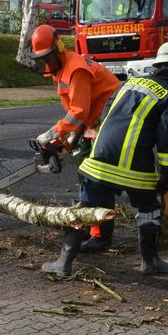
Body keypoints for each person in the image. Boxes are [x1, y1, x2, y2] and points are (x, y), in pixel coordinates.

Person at [42, 41, 168, 277]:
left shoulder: (131, 83)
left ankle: (63, 263)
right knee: (149, 209)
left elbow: (105, 112)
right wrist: (166, 176)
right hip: (136, 167)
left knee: (84, 208)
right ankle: (151, 261)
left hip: (99, 159)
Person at [27, 24, 122, 253]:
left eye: (49, 56)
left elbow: (79, 111)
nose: (47, 62)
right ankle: (92, 226)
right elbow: (78, 113)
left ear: (58, 47)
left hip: (111, 116)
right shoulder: (59, 71)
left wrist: (52, 136)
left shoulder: (75, 68)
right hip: (95, 120)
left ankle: (100, 235)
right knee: (85, 172)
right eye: (43, 58)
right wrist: (64, 142)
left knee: (94, 175)